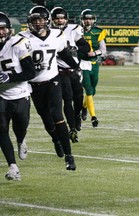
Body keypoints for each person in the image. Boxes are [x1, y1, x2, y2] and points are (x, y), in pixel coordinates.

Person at [18, 5, 81, 171]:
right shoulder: (21, 38)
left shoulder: (56, 35)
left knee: (57, 115)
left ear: (47, 20)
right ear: (29, 21)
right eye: (34, 20)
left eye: (40, 20)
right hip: (33, 85)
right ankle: (56, 140)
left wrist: (75, 66)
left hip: (52, 80)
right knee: (46, 120)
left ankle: (69, 156)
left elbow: (63, 53)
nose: (38, 23)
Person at [0, 12, 36, 180]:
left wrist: (10, 77)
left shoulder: (18, 44)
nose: (0, 32)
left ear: (9, 29)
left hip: (20, 94)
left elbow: (30, 72)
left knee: (20, 128)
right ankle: (13, 167)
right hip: (1, 95)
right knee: (1, 130)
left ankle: (21, 140)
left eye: (2, 29)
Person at [50, 7, 90, 142]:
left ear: (66, 19)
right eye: (57, 18)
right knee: (67, 99)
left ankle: (77, 116)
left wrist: (76, 48)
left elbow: (87, 48)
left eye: (62, 18)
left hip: (74, 70)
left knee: (79, 98)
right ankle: (72, 127)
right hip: (60, 71)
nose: (60, 20)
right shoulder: (48, 33)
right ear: (52, 19)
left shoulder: (73, 30)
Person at [78, 9, 107, 127]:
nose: (88, 21)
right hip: (82, 64)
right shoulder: (77, 31)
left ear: (93, 20)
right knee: (88, 90)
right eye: (86, 19)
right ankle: (93, 117)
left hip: (94, 64)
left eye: (90, 19)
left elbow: (104, 50)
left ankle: (84, 107)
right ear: (82, 20)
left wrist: (95, 53)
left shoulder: (98, 32)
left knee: (93, 90)